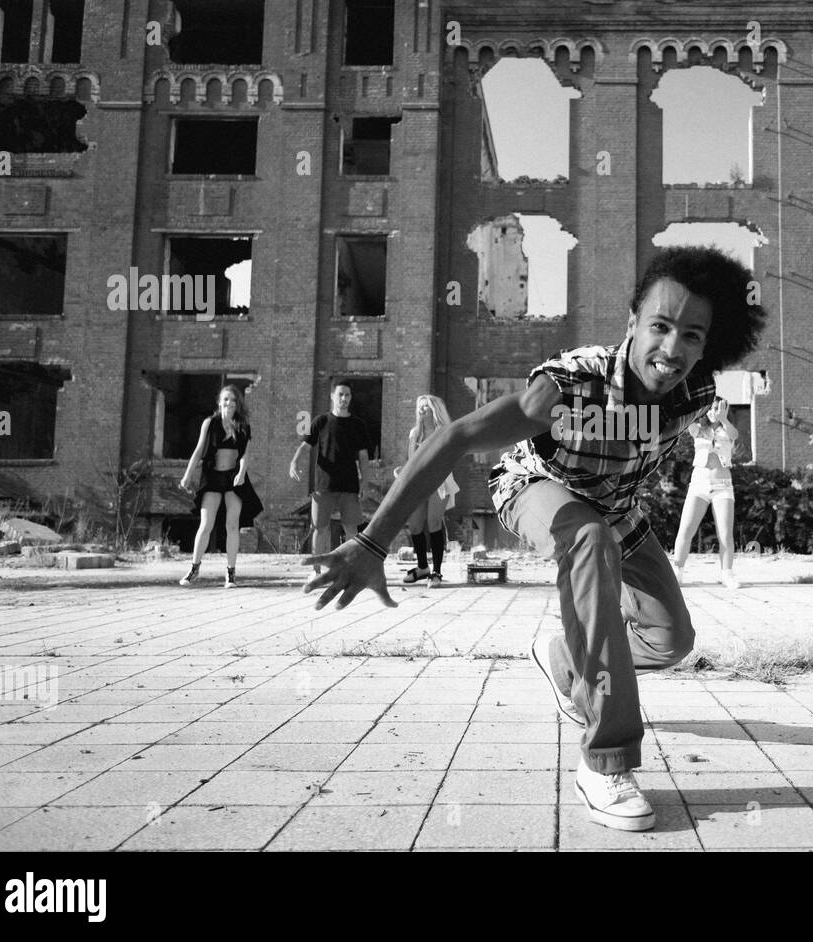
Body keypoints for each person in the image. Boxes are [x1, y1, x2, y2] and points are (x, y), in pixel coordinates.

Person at [301, 246, 767, 832]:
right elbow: (457, 437)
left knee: (671, 638)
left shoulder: (695, 390)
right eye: (660, 326)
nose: (672, 351)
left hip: (617, 508)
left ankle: (566, 659)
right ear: (632, 322)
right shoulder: (572, 384)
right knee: (588, 540)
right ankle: (606, 759)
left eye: (692, 336)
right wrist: (373, 543)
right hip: (536, 486)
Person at [178, 384, 264, 588]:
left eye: (233, 400)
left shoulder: (243, 425)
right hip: (212, 477)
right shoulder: (210, 423)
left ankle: (230, 574)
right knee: (206, 524)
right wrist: (187, 475)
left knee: (232, 525)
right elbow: (199, 451)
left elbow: (245, 454)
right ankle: (193, 569)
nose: (229, 403)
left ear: (237, 404)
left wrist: (242, 473)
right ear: (219, 402)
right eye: (226, 399)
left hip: (234, 477)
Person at [290, 378, 376, 572]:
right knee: (319, 528)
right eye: (340, 395)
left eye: (347, 395)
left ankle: (351, 570)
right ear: (332, 396)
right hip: (323, 485)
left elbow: (363, 457)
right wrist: (294, 461)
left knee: (351, 530)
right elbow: (305, 446)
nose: (343, 398)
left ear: (351, 398)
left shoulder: (358, 425)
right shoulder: (321, 421)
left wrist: (365, 482)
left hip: (349, 485)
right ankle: (316, 572)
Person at [671, 396, 739, 589]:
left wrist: (724, 419)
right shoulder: (698, 429)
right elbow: (683, 418)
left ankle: (727, 574)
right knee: (686, 529)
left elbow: (734, 434)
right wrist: (700, 406)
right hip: (699, 484)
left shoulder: (728, 430)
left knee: (725, 534)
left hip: (722, 485)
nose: (713, 412)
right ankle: (678, 571)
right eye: (710, 408)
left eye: (717, 408)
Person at [400, 395, 459, 587]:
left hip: (439, 481)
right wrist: (403, 472)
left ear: (434, 410)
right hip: (418, 483)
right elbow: (411, 461)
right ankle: (422, 567)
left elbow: (449, 459)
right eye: (420, 407)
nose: (421, 410)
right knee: (415, 525)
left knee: (434, 523)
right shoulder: (414, 434)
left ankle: (437, 572)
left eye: (426, 407)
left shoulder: (444, 432)